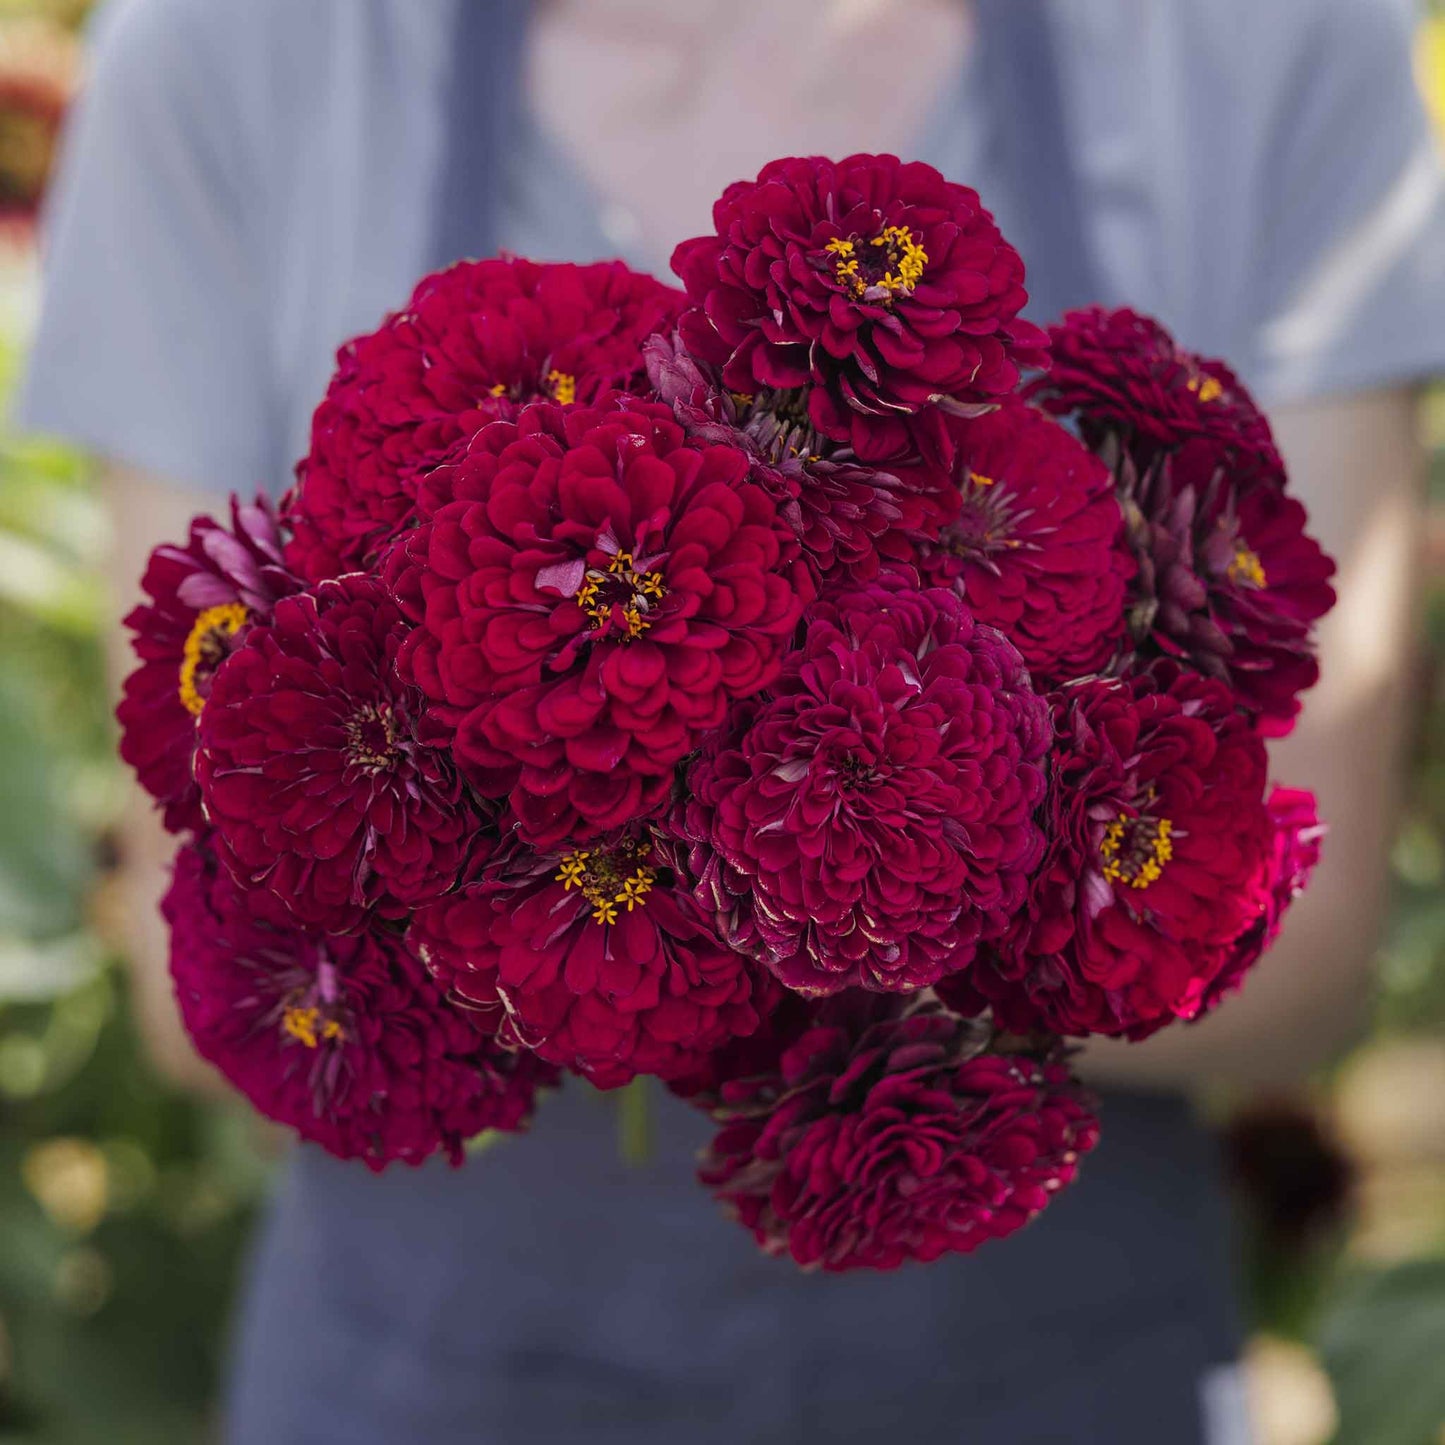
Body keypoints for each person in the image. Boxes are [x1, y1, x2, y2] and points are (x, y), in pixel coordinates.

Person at [17, 1, 1445, 1440]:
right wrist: (802, 898)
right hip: (428, 1373)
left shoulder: (1271, 39)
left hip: (1052, 1367)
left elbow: (1293, 951)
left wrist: (736, 899)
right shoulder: (226, 50)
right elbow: (194, 933)